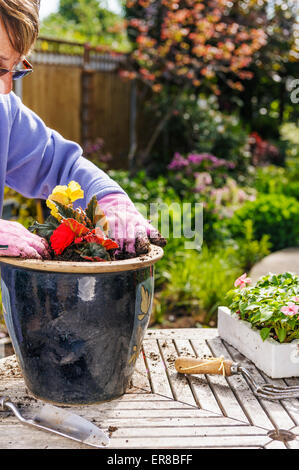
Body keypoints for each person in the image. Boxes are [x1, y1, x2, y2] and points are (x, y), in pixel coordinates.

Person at [0, 0, 165, 260]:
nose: (7, 87)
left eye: (15, 68)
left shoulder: (3, 110)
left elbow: (58, 165)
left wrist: (109, 199)